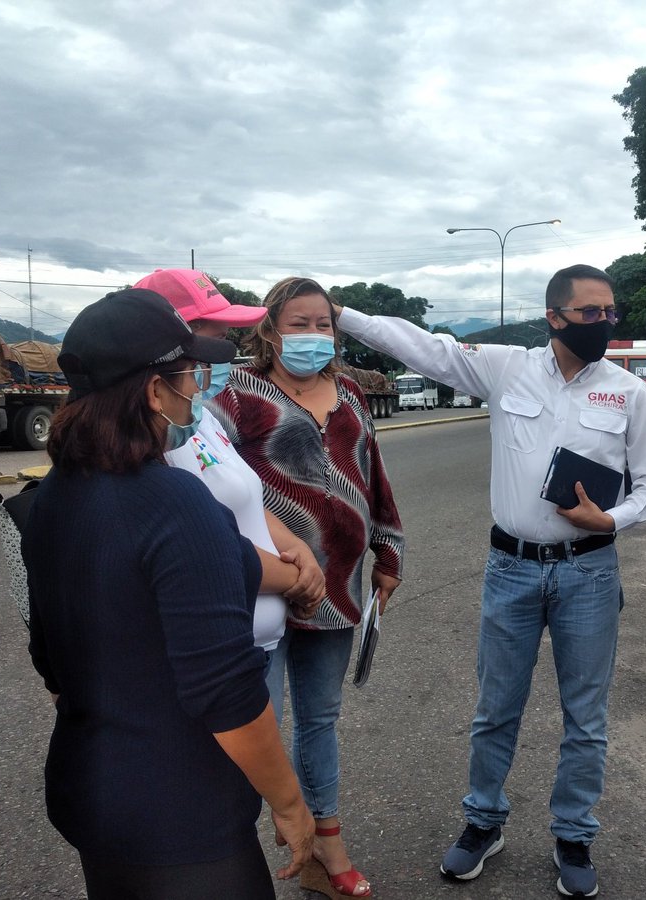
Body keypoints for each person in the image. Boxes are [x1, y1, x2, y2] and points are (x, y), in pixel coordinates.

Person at [335, 264, 646, 898]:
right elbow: (424, 346)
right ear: (554, 317)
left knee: (586, 716)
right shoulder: (506, 368)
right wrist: (340, 314)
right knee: (496, 709)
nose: (604, 323)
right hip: (511, 568)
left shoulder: (630, 394)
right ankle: (482, 822)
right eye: (589, 313)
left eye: (610, 312)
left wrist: (612, 516)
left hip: (589, 572)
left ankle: (574, 833)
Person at [22, 289, 314, 899]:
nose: (196, 386)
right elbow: (225, 689)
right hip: (181, 812)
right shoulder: (176, 504)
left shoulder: (49, 498)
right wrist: (289, 802)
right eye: (188, 373)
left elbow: (49, 659)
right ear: (155, 391)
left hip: (91, 792)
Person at [212, 276, 405, 899]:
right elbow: (204, 474)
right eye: (299, 324)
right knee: (252, 724)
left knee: (319, 722)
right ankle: (227, 862)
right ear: (269, 328)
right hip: (264, 586)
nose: (314, 335)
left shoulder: (348, 390)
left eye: (324, 324)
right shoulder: (235, 393)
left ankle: (327, 847)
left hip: (339, 590)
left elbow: (370, 473)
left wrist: (386, 550)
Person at [135, 268, 327, 645]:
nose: (225, 355)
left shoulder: (200, 416)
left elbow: (246, 497)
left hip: (257, 642)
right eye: (214, 343)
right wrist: (298, 580)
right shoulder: (151, 436)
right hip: (215, 651)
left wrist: (296, 548)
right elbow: (201, 550)